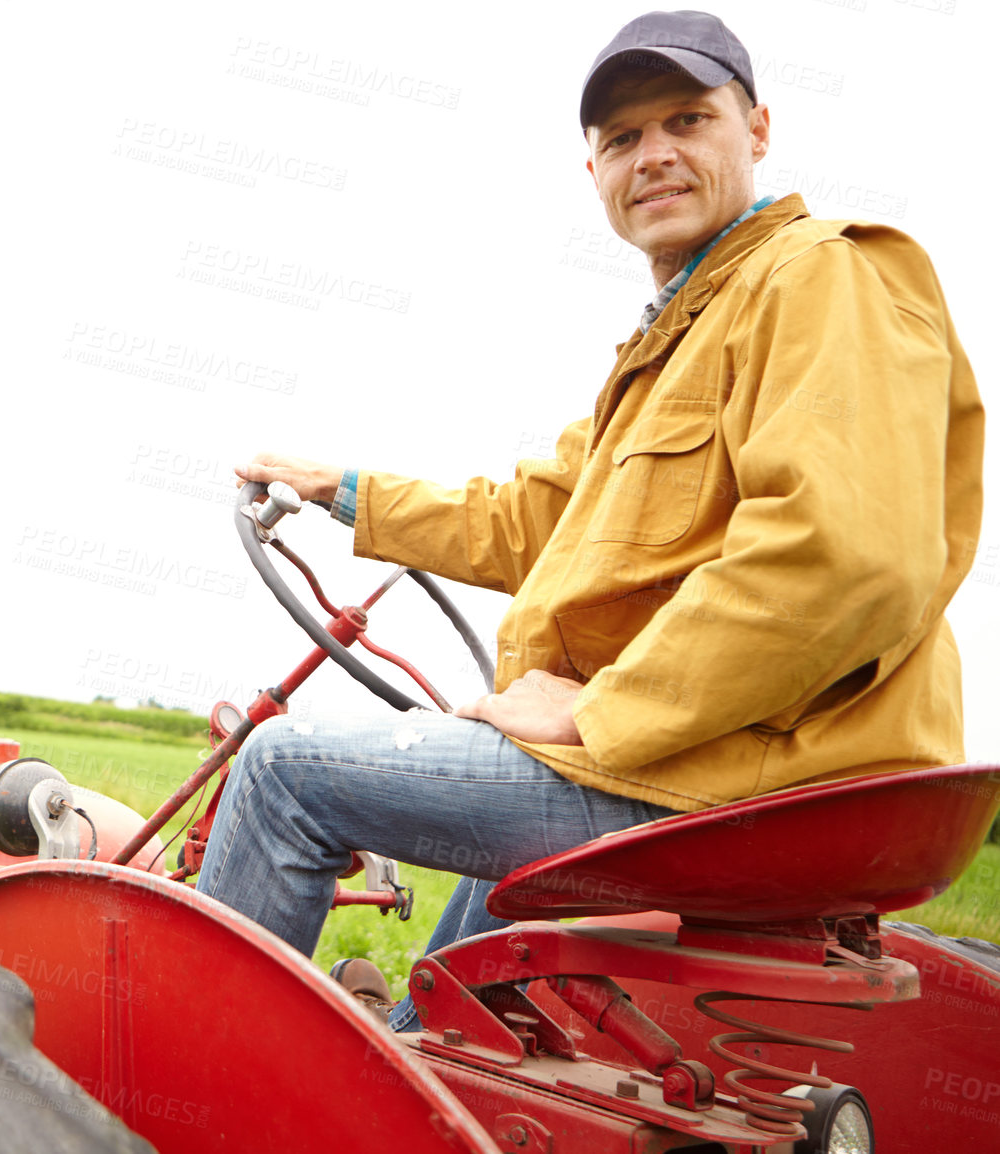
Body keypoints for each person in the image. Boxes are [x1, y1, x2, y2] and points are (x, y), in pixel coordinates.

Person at [194, 10, 984, 1026]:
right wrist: (340, 488)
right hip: (706, 763)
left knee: (278, 770)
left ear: (758, 131)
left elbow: (846, 556)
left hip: (758, 774)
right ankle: (423, 1075)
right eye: (621, 139)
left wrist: (597, 713)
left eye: (686, 120)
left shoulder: (819, 275)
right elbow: (533, 521)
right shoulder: (678, 340)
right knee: (504, 830)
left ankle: (197, 1103)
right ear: (595, 175)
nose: (653, 155)